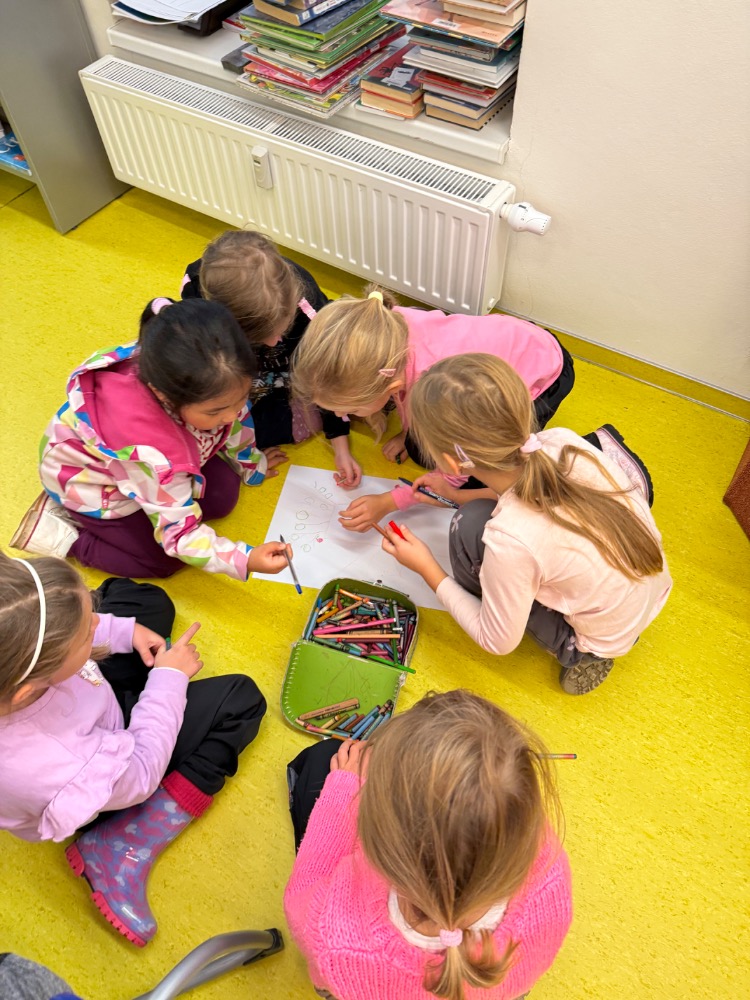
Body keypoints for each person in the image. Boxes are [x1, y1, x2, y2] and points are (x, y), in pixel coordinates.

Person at [0, 552, 267, 945]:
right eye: (86, 633)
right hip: (112, 765)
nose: (96, 624)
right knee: (241, 699)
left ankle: (81, 628)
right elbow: (142, 771)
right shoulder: (61, 764)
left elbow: (74, 630)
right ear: (30, 687)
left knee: (147, 602)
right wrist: (168, 680)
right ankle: (126, 840)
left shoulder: (18, 677)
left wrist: (123, 632)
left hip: (87, 694)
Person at [380, 354, 672, 694]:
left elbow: (496, 640)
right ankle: (608, 633)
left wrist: (426, 568)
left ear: (451, 464)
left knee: (467, 527)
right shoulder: (560, 441)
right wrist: (454, 495)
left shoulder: (511, 540)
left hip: (605, 633)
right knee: (474, 517)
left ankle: (583, 655)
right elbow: (520, 488)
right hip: (650, 592)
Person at [284, 690, 572, 1000]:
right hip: (502, 992)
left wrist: (343, 789)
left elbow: (303, 892)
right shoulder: (549, 874)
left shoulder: (333, 934)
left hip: (353, 982)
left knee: (323, 757)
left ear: (381, 843)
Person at [10, 298, 292, 581]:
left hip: (144, 465)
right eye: (215, 411)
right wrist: (245, 559)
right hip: (87, 486)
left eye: (241, 398)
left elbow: (234, 422)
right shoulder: (152, 454)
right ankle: (64, 538)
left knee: (222, 496)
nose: (232, 415)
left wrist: (252, 464)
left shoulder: (194, 369)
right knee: (163, 562)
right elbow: (179, 537)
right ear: (163, 394)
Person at [291, 286, 576, 530]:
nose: (343, 416)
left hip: (544, 373)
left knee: (479, 477)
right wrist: (407, 432)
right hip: (512, 344)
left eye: (349, 410)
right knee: (420, 450)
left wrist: (390, 501)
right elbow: (407, 386)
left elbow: (455, 473)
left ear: (389, 388)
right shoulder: (386, 327)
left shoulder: (442, 392)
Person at [182, 230, 361, 487]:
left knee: (309, 410)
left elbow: (326, 373)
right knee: (210, 419)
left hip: (292, 371)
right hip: (236, 371)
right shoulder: (195, 290)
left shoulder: (310, 310)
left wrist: (340, 445)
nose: (274, 342)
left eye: (281, 330)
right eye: (261, 336)